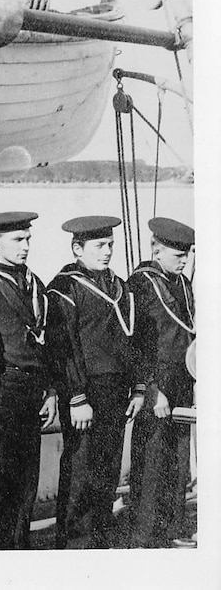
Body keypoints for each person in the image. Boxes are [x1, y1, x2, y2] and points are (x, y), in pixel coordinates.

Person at [46, 215, 139, 549]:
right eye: (99, 246)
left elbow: (134, 339)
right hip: (85, 393)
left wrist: (138, 388)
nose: (107, 252)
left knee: (108, 468)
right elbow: (63, 347)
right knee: (81, 469)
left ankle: (100, 537)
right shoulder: (65, 288)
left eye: (110, 245)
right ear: (77, 248)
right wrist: (75, 397)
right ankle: (75, 543)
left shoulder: (119, 285)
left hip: (116, 391)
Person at [0, 212, 58, 549]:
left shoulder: (36, 283)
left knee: (25, 481)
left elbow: (45, 343)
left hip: (32, 389)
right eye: (17, 240)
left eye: (28, 239)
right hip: (2, 389)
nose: (25, 246)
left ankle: (19, 550)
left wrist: (49, 390)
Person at [127, 217, 196, 548]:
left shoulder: (182, 283)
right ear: (156, 249)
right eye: (175, 254)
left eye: (185, 255)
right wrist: (152, 388)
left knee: (178, 460)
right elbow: (136, 345)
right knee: (152, 460)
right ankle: (144, 534)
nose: (181, 260)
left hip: (182, 379)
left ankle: (172, 528)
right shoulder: (141, 283)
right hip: (157, 381)